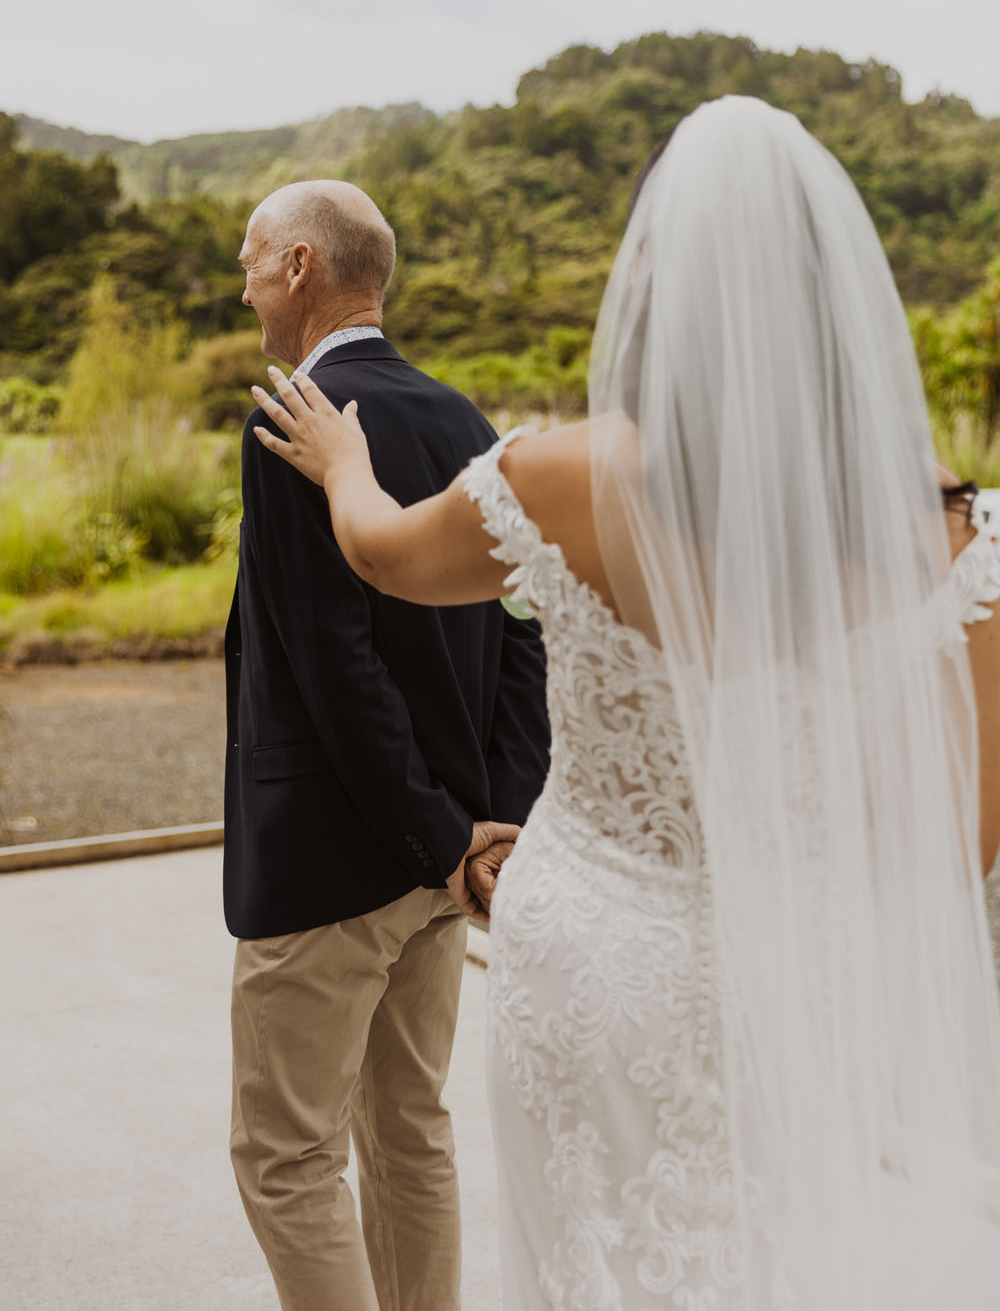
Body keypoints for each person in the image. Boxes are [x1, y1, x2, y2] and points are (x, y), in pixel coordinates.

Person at [248, 101, 1000, 1310]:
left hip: (589, 963)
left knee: (586, 1264)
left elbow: (384, 555)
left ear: (650, 286)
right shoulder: (966, 539)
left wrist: (344, 466)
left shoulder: (562, 477)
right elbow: (950, 855)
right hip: (792, 978)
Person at [224, 179, 550, 1311]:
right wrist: (486, 829)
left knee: (285, 1157)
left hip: (335, 859)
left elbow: (330, 664)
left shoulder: (294, 419)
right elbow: (525, 645)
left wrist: (429, 831)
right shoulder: (463, 418)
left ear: (304, 267)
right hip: (450, 858)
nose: (246, 275)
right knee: (411, 1133)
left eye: (255, 254)